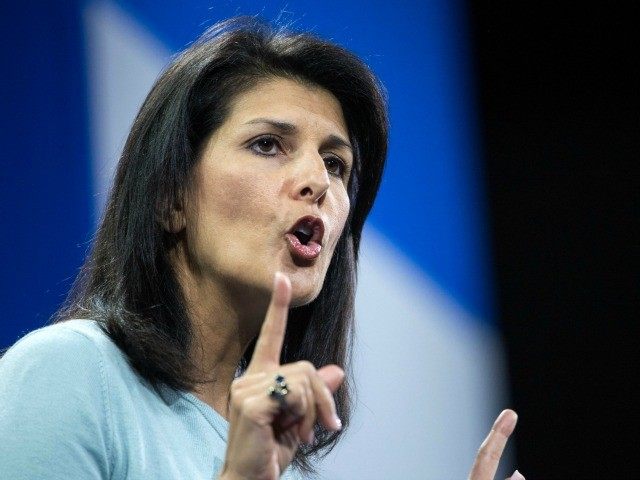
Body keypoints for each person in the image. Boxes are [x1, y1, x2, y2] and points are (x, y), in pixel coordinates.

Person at [0, 17, 523, 480]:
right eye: (268, 144)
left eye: (335, 164)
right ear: (169, 195)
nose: (317, 180)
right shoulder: (68, 376)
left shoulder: (282, 463)